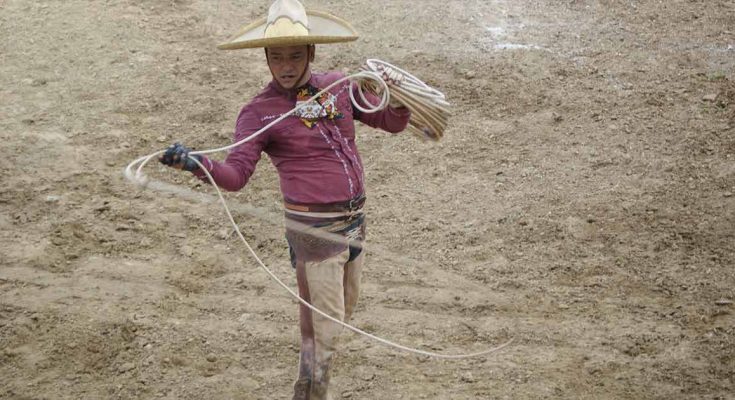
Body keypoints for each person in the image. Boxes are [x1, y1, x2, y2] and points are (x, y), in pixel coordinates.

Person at [159, 1, 410, 399]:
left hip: (354, 222)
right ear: (266, 59)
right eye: (276, 57)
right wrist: (196, 163)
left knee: (340, 316)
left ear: (311, 52)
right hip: (313, 231)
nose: (286, 66)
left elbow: (391, 123)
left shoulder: (340, 86)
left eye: (295, 55)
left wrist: (397, 97)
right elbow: (236, 176)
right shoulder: (258, 113)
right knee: (322, 331)